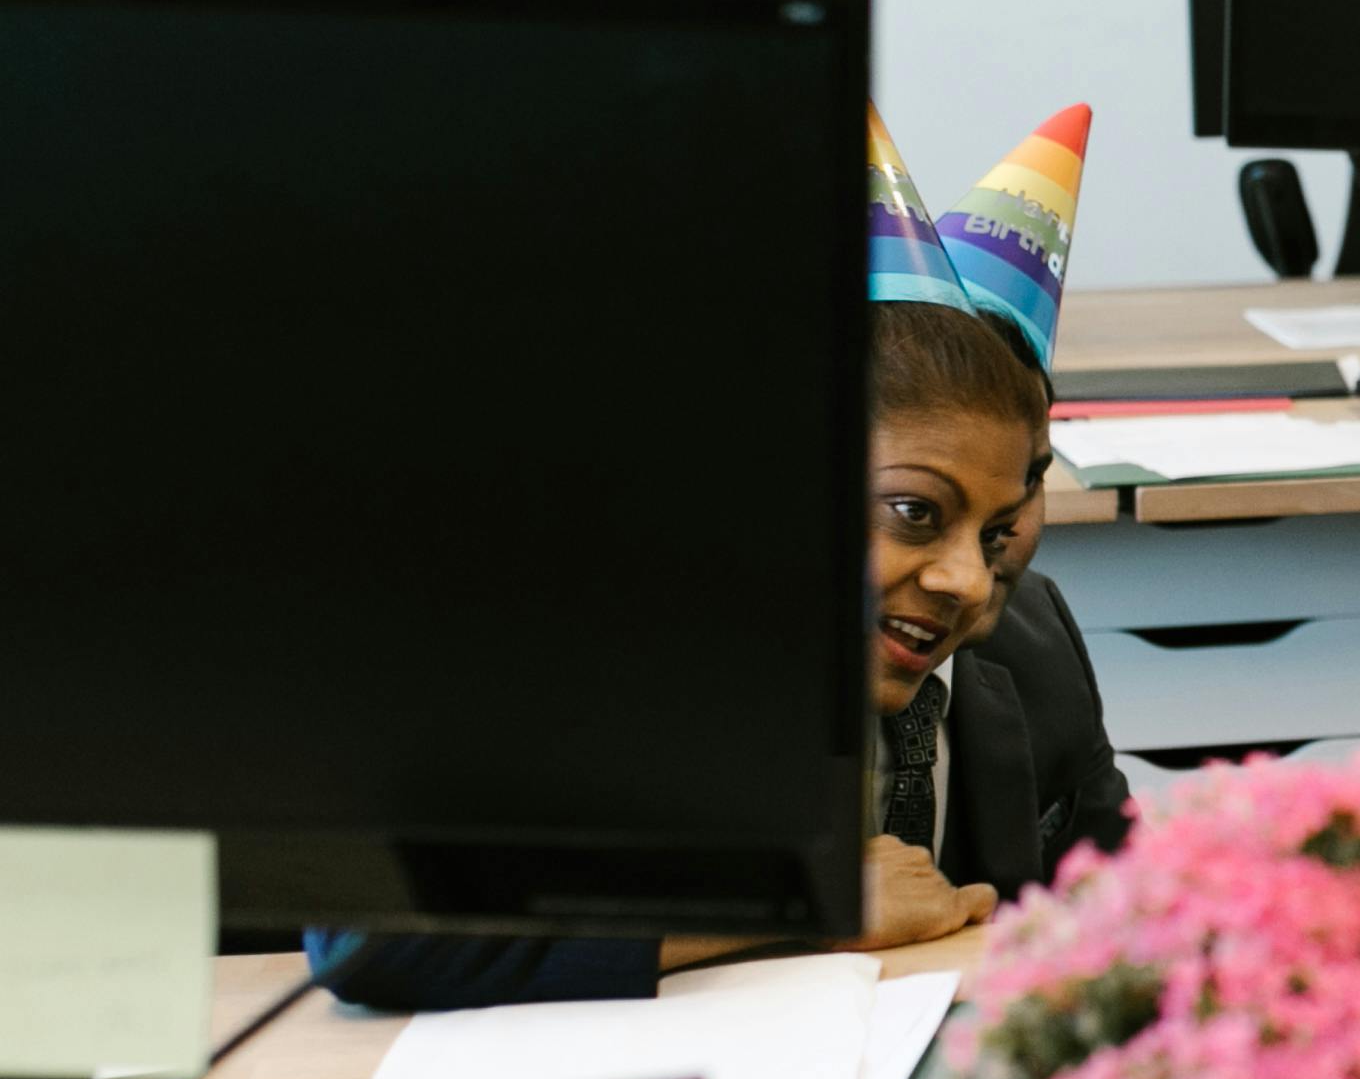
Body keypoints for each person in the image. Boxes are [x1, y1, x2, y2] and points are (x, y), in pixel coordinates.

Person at [314, 110, 1132, 1011]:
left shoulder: (1033, 640)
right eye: (913, 512)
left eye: (1000, 522)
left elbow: (1132, 905)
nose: (968, 580)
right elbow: (372, 933)